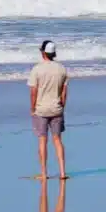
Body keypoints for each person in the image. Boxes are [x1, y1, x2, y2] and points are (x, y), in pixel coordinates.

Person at [28, 41, 68, 181]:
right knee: (57, 140)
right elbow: (64, 92)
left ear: (43, 52)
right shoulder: (62, 69)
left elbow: (33, 91)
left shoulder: (37, 69)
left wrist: (32, 108)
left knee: (42, 141)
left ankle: (44, 174)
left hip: (41, 109)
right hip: (57, 108)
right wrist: (62, 106)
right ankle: (63, 172)